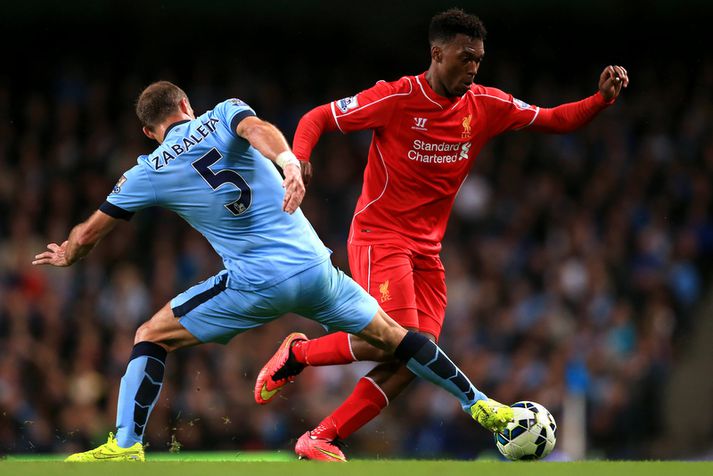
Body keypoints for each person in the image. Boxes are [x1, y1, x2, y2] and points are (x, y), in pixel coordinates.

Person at [32, 81, 514, 462]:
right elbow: (258, 129)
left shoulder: (147, 169)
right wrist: (287, 161)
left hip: (255, 283)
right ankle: (479, 402)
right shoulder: (223, 113)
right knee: (399, 337)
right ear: (185, 104)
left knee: (150, 334)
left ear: (147, 130)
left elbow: (90, 233)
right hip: (316, 269)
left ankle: (126, 445)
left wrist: (68, 254)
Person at [254, 8, 629, 461]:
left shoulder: (486, 105)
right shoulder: (394, 97)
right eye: (464, 57)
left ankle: (322, 435)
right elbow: (317, 117)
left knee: (417, 357)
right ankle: (300, 355)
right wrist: (297, 159)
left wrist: (600, 100)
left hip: (428, 251)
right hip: (379, 236)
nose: (473, 68)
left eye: (479, 59)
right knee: (396, 338)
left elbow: (554, 119)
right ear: (437, 53)